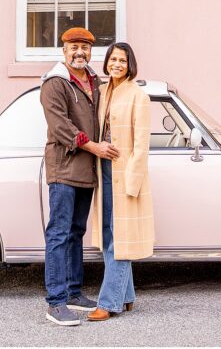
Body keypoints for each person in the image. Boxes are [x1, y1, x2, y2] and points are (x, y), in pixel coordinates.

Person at [40, 26, 120, 327]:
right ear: (64, 51)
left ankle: (74, 292)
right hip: (63, 168)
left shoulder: (94, 82)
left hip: (86, 170)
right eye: (74, 47)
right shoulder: (55, 83)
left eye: (85, 48)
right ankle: (56, 302)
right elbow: (60, 127)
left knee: (76, 232)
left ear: (90, 52)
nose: (79, 53)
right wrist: (96, 147)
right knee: (59, 234)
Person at [87, 42, 154, 321]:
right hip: (103, 170)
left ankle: (109, 301)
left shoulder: (139, 96)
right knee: (108, 233)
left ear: (130, 65)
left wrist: (132, 182)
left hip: (125, 173)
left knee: (120, 236)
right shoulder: (102, 91)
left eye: (122, 61)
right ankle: (126, 297)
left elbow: (142, 145)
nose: (116, 64)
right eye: (113, 59)